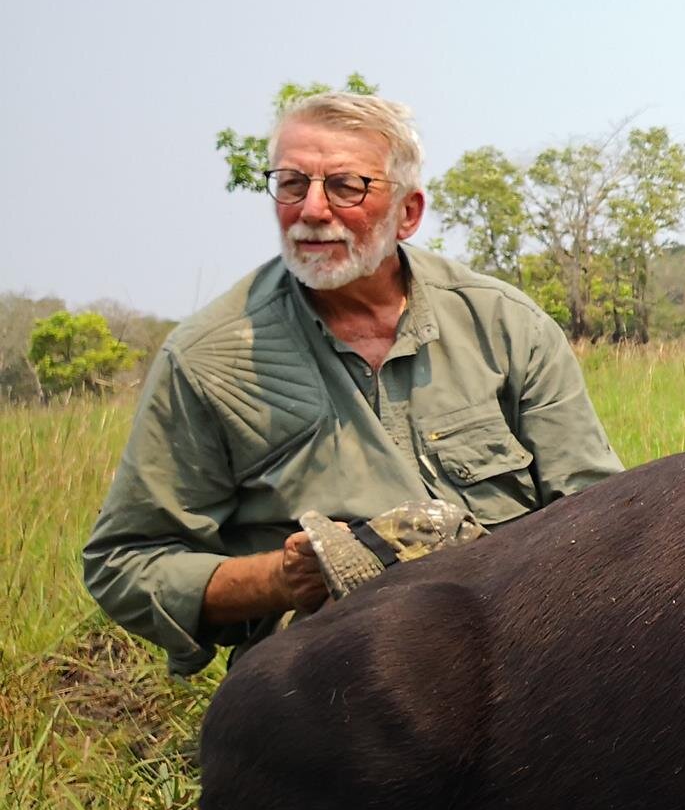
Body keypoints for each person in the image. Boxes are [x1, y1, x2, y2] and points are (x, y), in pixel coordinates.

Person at [84, 92, 622, 676]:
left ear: (408, 213)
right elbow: (125, 562)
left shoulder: (505, 324)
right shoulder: (208, 358)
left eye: (345, 187)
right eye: (291, 184)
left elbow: (602, 517)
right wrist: (280, 579)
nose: (312, 210)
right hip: (330, 675)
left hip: (519, 648)